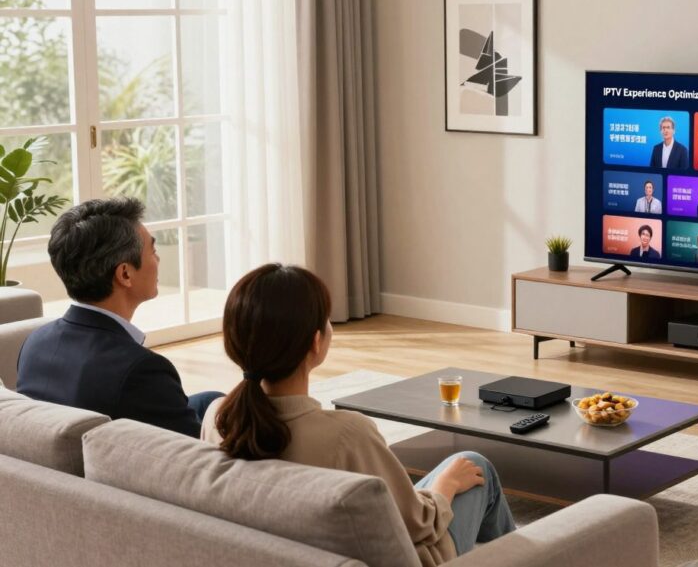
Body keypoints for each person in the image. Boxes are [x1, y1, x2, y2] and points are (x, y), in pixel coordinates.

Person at [202, 264, 515, 566]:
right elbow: (417, 524)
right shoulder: (347, 435)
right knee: (475, 467)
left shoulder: (218, 418)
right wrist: (445, 486)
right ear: (315, 341)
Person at [17, 198, 222, 438]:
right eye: (153, 252)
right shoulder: (141, 370)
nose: (158, 260)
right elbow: (196, 457)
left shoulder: (35, 343)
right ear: (125, 273)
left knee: (212, 401)